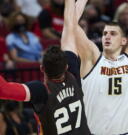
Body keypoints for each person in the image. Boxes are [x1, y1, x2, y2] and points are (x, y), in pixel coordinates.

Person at [0, 0, 91, 134]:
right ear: (66, 67)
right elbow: (70, 29)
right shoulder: (73, 76)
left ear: (42, 68)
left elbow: (4, 90)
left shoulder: (40, 90)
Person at [73, 0, 128, 134]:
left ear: (123, 41)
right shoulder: (92, 59)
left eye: (113, 34)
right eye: (105, 34)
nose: (107, 36)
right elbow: (71, 23)